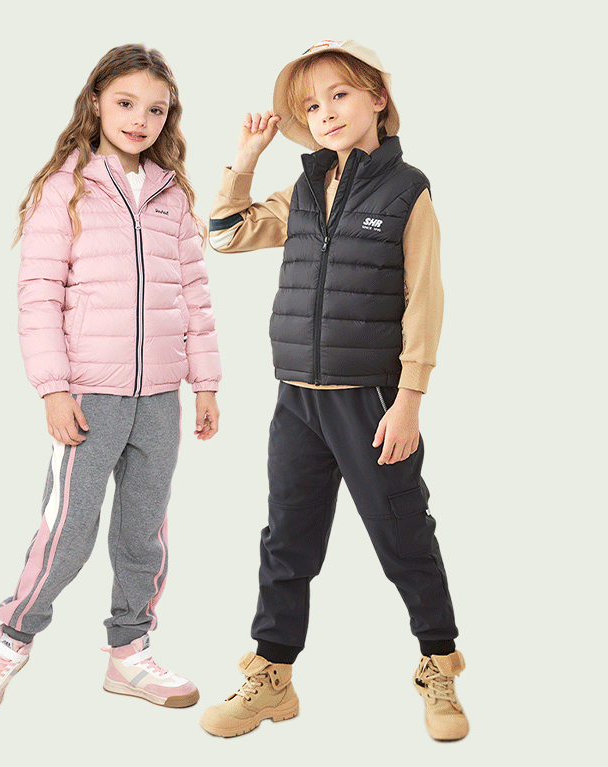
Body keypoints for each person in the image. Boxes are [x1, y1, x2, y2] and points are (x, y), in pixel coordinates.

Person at [199, 40, 467, 741]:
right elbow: (223, 234)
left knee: (403, 535)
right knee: (286, 540)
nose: (325, 113)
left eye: (339, 94)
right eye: (311, 106)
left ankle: (439, 664)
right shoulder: (302, 192)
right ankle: (273, 675)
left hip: (371, 399)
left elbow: (425, 298)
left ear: (377, 98)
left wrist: (409, 397)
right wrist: (246, 161)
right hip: (296, 398)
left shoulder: (407, 190)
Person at [0, 44, 221, 720]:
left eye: (156, 110)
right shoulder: (66, 187)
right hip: (89, 398)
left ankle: (129, 652)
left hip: (159, 398)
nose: (140, 119)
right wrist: (53, 389)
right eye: (127, 103)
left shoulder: (170, 194)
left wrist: (206, 383)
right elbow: (39, 294)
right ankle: (12, 639)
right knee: (67, 533)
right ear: (97, 101)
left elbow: (194, 296)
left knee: (144, 534)